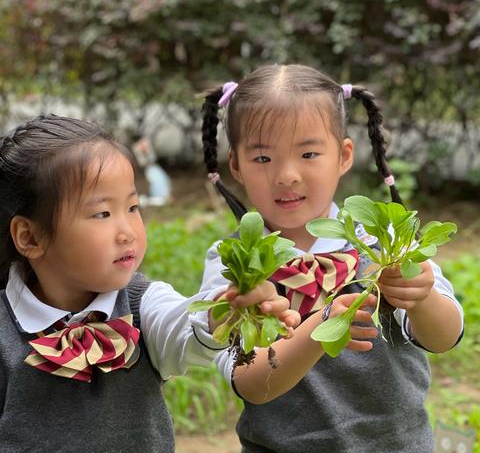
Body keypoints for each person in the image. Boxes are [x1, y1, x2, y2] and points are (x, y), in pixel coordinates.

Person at [199, 64, 464, 452]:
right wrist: (322, 328)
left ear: (343, 156)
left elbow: (443, 338)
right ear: (235, 165)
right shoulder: (236, 263)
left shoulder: (380, 239)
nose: (287, 175)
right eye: (262, 159)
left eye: (308, 153)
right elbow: (252, 382)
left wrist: (421, 296)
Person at [0, 114, 300, 453]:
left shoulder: (141, 306)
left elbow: (184, 324)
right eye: (102, 214)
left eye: (132, 207)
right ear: (30, 237)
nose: (128, 231)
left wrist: (227, 309)